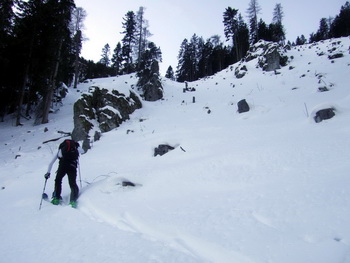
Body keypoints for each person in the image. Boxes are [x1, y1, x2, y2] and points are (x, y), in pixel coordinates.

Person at [45, 139, 84, 208]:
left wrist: (48, 173)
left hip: (63, 166)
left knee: (58, 180)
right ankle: (73, 200)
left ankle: (56, 198)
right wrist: (77, 146)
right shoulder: (75, 147)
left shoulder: (61, 149)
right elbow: (82, 151)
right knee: (72, 183)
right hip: (72, 166)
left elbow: (51, 163)